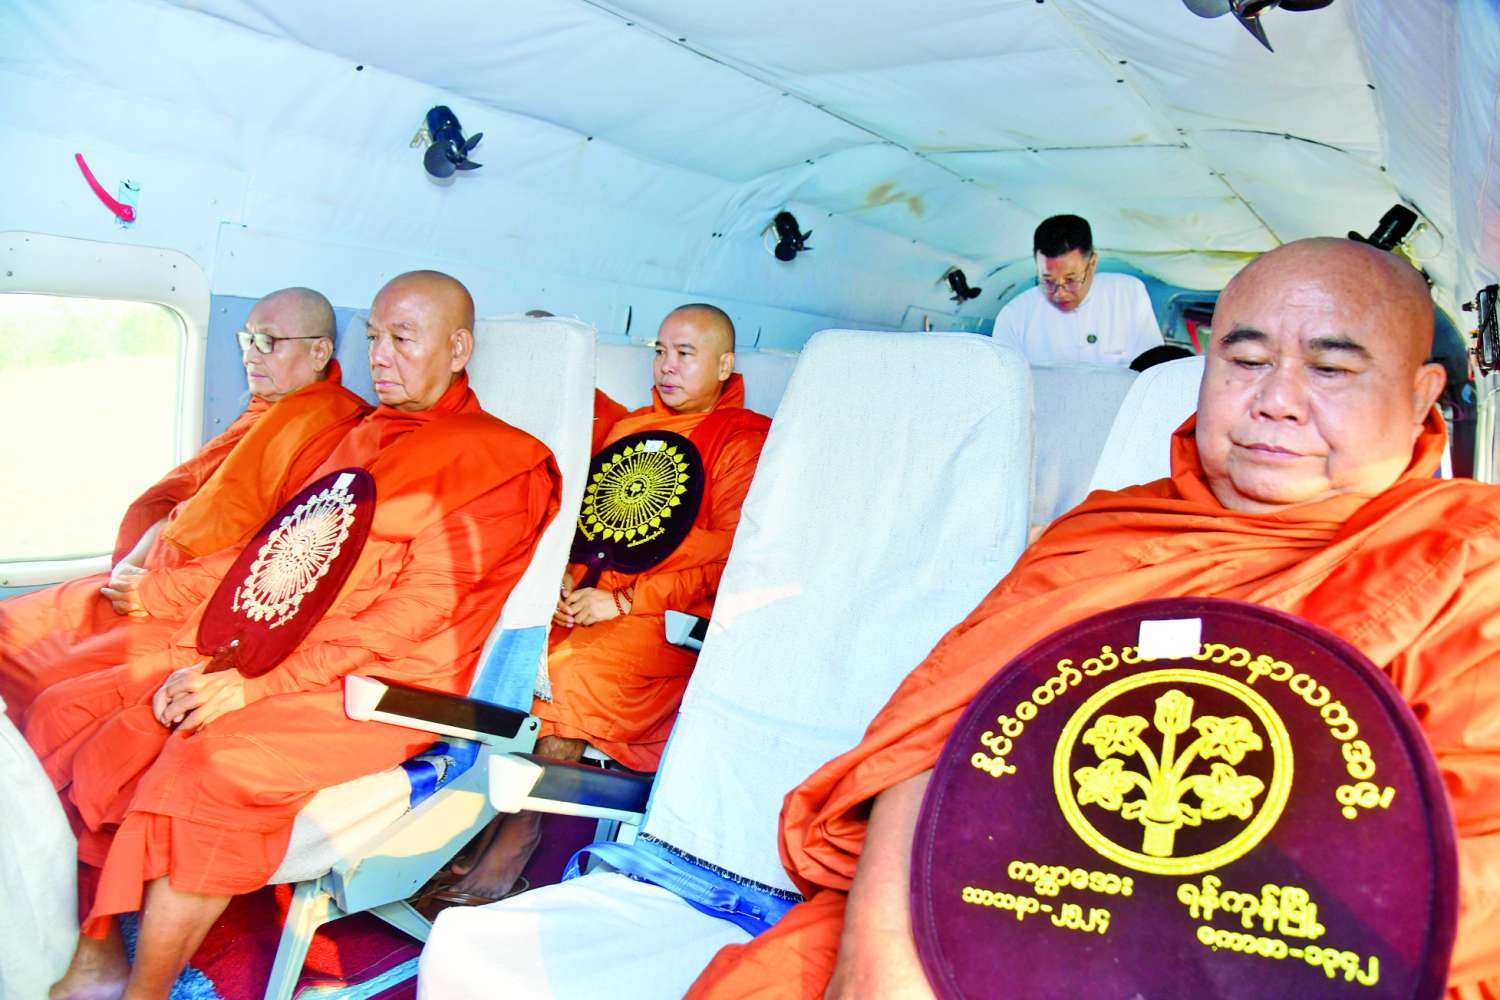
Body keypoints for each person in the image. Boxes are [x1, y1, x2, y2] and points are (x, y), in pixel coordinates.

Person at [685, 238, 1499, 998]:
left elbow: (1460, 892)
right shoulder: (1105, 537)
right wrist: (884, 954)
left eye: (1331, 369)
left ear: (1421, 393)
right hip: (978, 895)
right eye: (1246, 361)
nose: (1276, 402)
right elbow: (930, 743)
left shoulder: (1472, 566)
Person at [25, 270, 563, 1000]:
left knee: (208, 766)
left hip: (382, 687)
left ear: (458, 348)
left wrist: (254, 683)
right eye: (374, 337)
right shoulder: (362, 435)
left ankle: (144, 990)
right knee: (87, 705)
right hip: (281, 643)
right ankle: (98, 954)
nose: (379, 357)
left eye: (403, 339)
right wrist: (189, 615)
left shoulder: (499, 461)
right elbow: (270, 552)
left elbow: (409, 619)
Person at [440, 303, 771, 904]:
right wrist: (565, 582)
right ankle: (470, 823)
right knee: (509, 648)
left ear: (725, 364)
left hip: (660, 615)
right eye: (660, 352)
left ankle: (517, 838)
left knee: (571, 676)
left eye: (685, 354)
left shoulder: (744, 440)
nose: (667, 366)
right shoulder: (632, 427)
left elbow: (730, 552)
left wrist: (623, 601)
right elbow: (588, 517)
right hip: (586, 595)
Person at [0, 287, 369, 724]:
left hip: (196, 604)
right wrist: (132, 565)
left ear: (319, 351)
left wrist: (157, 590)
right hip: (146, 576)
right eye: (247, 339)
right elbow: (186, 504)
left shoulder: (335, 430)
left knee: (41, 678)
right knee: (9, 625)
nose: (250, 355)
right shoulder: (266, 415)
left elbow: (278, 558)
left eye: (268, 341)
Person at [993, 214, 1161, 366]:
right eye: (1048, 281)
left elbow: (1153, 370)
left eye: (1070, 280)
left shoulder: (1128, 294)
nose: (1060, 293)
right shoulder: (1014, 315)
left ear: (1092, 263)